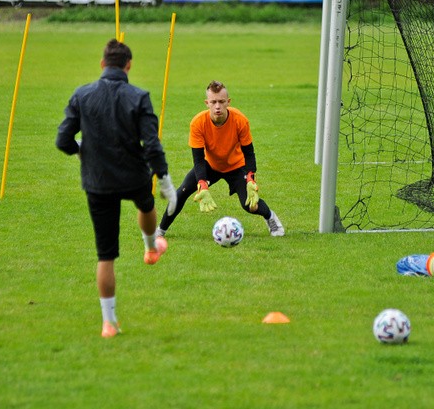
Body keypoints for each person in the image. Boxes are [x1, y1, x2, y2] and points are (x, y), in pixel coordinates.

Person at [56, 38, 177, 338]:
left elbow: (62, 140)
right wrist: (164, 179)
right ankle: (150, 248)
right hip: (134, 176)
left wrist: (81, 149)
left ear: (101, 64)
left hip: (98, 182)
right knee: (147, 205)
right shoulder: (139, 96)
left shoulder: (82, 95)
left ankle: (108, 323)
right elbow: (152, 144)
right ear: (129, 65)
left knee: (105, 256)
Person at [155, 80, 285, 240]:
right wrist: (202, 184)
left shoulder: (240, 120)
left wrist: (251, 178)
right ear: (207, 103)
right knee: (181, 192)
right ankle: (160, 230)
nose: (217, 106)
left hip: (236, 166)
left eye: (221, 102)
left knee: (249, 204)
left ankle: (271, 218)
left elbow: (249, 153)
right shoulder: (197, 123)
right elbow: (198, 160)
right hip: (210, 165)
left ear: (228, 102)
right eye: (213, 102)